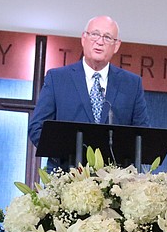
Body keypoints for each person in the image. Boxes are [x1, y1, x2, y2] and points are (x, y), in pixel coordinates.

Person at [28, 15, 150, 170]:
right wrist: (66, 153)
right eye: (95, 34)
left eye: (107, 37)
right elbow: (37, 128)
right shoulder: (57, 78)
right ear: (83, 38)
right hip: (66, 176)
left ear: (117, 45)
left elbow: (142, 135)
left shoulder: (131, 84)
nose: (99, 41)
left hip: (116, 183)